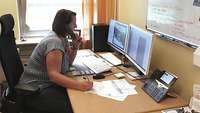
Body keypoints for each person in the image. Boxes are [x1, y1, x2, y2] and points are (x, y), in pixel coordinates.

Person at [19, 9, 93, 113]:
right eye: (73, 23)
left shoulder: (62, 38)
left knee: (77, 97)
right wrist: (80, 85)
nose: (76, 26)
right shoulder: (54, 42)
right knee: (74, 105)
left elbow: (68, 64)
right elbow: (54, 76)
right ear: (65, 25)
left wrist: (75, 47)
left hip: (46, 85)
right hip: (35, 90)